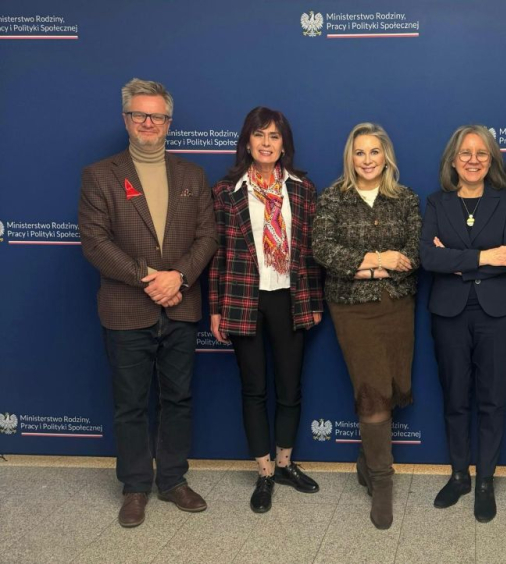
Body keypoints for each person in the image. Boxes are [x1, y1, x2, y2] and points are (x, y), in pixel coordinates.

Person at [78, 78, 217, 527]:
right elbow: (95, 242)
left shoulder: (193, 176)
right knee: (130, 404)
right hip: (126, 309)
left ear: (169, 122)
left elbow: (207, 236)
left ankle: (173, 480)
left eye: (157, 116)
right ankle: (135, 486)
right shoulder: (100, 175)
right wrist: (149, 279)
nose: (148, 122)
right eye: (140, 114)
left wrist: (179, 277)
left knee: (178, 399)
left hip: (180, 303)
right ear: (126, 119)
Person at [208, 107, 323, 514]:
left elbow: (312, 251)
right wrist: (216, 308)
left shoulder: (303, 189)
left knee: (289, 388)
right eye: (259, 135)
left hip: (290, 297)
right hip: (244, 298)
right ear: (247, 142)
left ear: (284, 145)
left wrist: (314, 301)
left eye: (274, 136)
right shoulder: (226, 191)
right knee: (253, 389)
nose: (267, 143)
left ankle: (286, 464)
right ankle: (265, 472)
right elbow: (217, 254)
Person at [312, 123, 420, 529]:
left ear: (386, 156)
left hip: (398, 305)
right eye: (360, 152)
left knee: (393, 385)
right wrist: (379, 261)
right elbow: (323, 250)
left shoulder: (405, 198)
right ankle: (382, 480)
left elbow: (413, 254)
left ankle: (365, 461)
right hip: (353, 309)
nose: (368, 159)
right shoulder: (333, 198)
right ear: (350, 157)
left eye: (375, 151)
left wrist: (366, 266)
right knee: (372, 389)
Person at [420, 125, 506, 523]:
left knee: (493, 399)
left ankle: (484, 481)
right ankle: (460, 476)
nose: (473, 160)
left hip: (497, 314)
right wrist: (484, 256)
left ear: (491, 159)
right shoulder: (437, 202)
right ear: (453, 160)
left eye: (482, 153)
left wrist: (457, 260)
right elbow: (429, 258)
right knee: (455, 397)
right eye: (465, 153)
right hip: (449, 313)